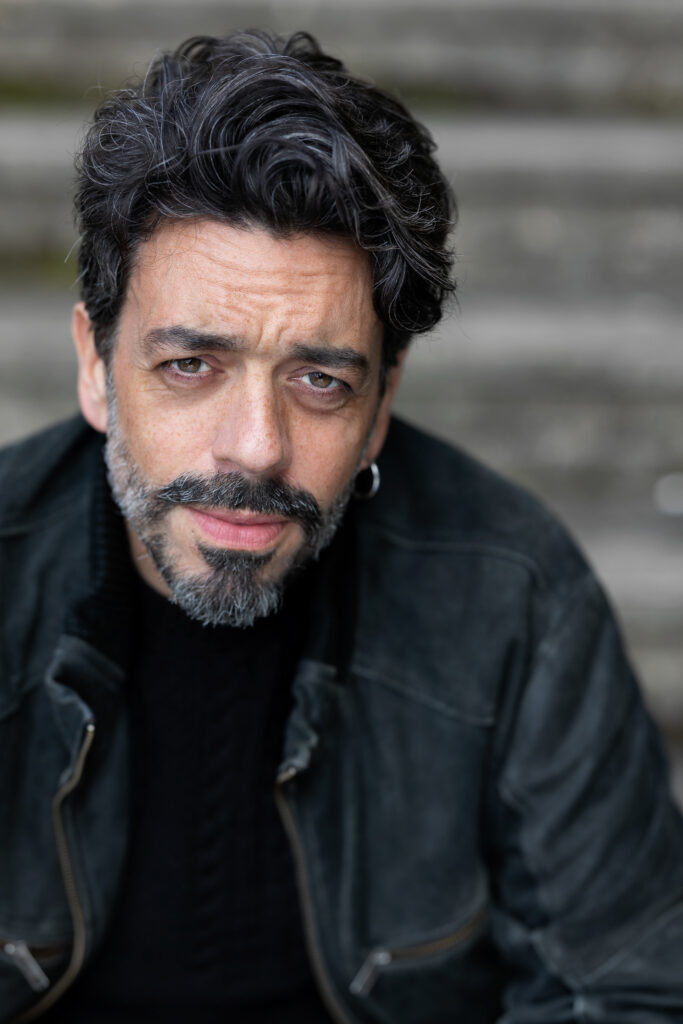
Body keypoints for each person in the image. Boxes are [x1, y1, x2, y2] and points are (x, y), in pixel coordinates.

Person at [1, 28, 682, 1024]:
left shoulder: (512, 597)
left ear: (381, 403)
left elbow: (626, 989)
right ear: (96, 369)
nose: (254, 449)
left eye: (318, 380)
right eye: (190, 365)